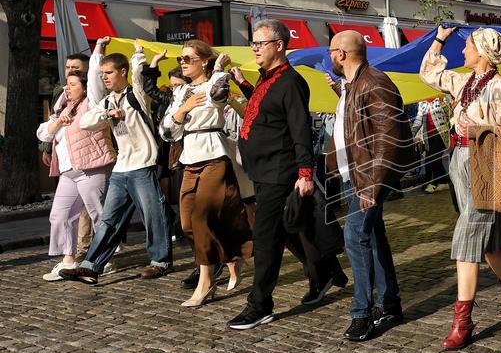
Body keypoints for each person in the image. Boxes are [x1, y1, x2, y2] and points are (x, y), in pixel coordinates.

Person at [419, 25, 501, 350]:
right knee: (488, 244)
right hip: (459, 160)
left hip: (488, 163)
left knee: (467, 235)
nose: (463, 51)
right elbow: (429, 74)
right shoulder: (464, 82)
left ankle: (463, 322)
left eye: (468, 46)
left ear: (483, 51)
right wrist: (439, 39)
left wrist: (482, 129)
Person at [60, 40, 174, 284]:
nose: (105, 77)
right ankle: (91, 267)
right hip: (121, 168)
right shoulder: (107, 101)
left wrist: (138, 54)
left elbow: (139, 76)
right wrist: (107, 113)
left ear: (122, 72)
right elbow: (86, 122)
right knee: (109, 220)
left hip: (143, 165)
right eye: (102, 73)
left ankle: (160, 261)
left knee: (153, 215)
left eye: (109, 73)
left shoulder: (136, 94)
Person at [326, 30, 415, 341]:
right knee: (373, 238)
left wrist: (372, 186)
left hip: (366, 179)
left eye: (331, 51)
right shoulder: (353, 85)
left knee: (355, 236)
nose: (329, 56)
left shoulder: (375, 82)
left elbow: (388, 138)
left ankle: (362, 313)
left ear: (341, 54)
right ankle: (389, 304)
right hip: (354, 176)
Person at [227, 20, 316, 330]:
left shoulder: (290, 81)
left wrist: (306, 173)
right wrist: (243, 85)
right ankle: (325, 272)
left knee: (265, 239)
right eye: (252, 43)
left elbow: (300, 129)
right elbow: (265, 109)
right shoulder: (267, 79)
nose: (254, 49)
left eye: (260, 43)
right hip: (262, 170)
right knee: (285, 230)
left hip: (279, 170)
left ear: (279, 45)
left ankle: (260, 305)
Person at [161, 41, 252, 307]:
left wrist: (219, 69)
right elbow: (167, 131)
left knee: (201, 219)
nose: (183, 63)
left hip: (214, 155)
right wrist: (183, 109)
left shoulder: (214, 82)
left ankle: (206, 281)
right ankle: (232, 255)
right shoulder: (181, 91)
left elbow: (218, 95)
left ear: (204, 61)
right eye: (181, 59)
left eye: (188, 58)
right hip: (189, 157)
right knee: (187, 224)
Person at [36, 69, 115, 280]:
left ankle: (105, 259)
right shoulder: (65, 108)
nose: (67, 89)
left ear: (85, 87)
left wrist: (96, 54)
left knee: (99, 214)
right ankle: (68, 260)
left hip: (91, 168)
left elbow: (95, 80)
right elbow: (43, 133)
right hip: (68, 172)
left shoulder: (92, 103)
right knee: (60, 215)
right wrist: (58, 122)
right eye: (66, 85)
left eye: (72, 84)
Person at [412, 96, 451, 193]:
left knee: (434, 158)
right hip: (428, 137)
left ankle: (436, 182)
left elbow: (449, 115)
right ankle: (444, 181)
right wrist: (411, 134)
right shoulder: (422, 102)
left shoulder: (442, 98)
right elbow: (418, 120)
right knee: (432, 159)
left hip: (441, 134)